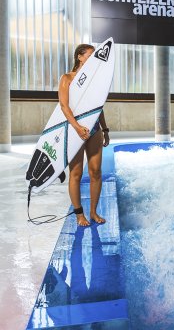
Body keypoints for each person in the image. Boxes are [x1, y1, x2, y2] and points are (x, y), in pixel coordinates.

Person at [59, 44, 111, 227]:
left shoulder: (94, 81)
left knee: (96, 171)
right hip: (74, 129)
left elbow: (99, 108)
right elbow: (64, 106)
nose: (93, 58)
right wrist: (77, 127)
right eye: (90, 55)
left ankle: (94, 212)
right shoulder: (67, 78)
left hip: (94, 128)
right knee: (76, 173)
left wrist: (105, 129)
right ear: (79, 57)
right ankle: (79, 214)